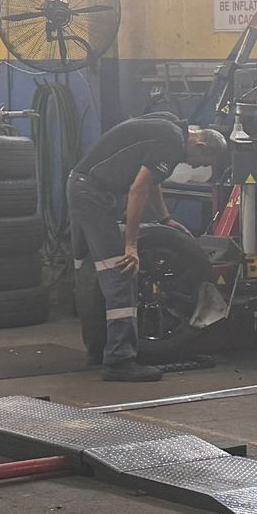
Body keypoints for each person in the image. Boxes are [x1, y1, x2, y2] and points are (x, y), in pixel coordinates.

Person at [68, 114, 230, 383]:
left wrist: (166, 218)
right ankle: (120, 361)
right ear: (200, 146)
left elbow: (151, 180)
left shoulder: (169, 125)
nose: (192, 164)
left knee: (90, 273)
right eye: (199, 161)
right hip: (93, 194)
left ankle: (98, 350)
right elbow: (138, 189)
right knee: (121, 272)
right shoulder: (172, 141)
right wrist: (130, 245)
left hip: (82, 185)